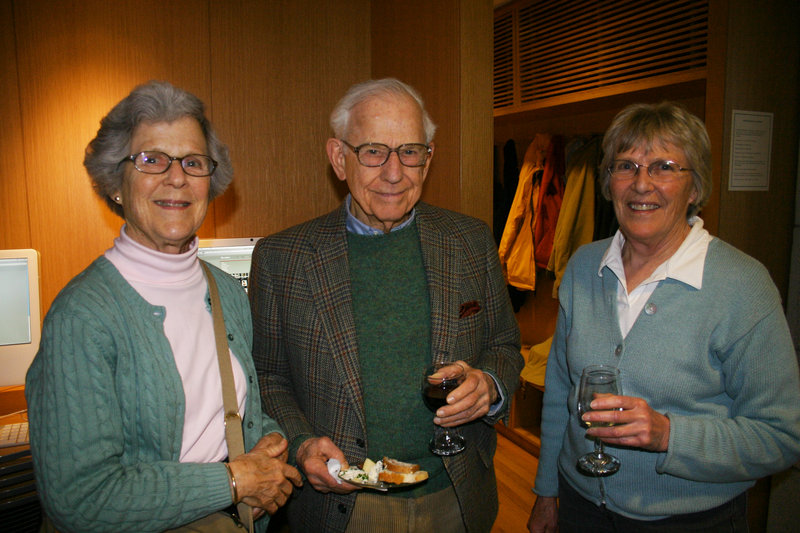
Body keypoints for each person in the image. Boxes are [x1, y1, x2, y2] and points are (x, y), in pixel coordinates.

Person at [25, 80, 302, 533]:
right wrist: (234, 480)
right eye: (152, 160)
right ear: (116, 182)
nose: (177, 177)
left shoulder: (227, 293)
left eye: (193, 163)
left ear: (210, 184)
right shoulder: (83, 316)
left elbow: (224, 416)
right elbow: (81, 497)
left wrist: (269, 439)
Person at [249, 78, 523, 533]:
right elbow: (268, 376)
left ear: (428, 157)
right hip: (344, 508)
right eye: (374, 151)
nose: (395, 173)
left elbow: (505, 345)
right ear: (340, 158)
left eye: (411, 151)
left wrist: (490, 384)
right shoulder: (284, 258)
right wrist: (299, 444)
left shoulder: (471, 241)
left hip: (456, 497)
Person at [527, 102, 800, 533]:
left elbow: (781, 437)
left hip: (692, 520)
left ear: (694, 188)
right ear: (608, 181)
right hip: (581, 508)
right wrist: (547, 490)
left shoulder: (743, 287)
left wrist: (669, 435)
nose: (641, 184)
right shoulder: (583, 266)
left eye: (664, 167)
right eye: (626, 166)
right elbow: (561, 387)